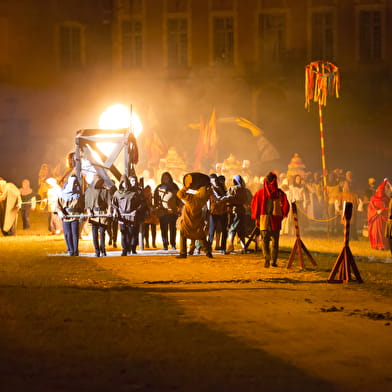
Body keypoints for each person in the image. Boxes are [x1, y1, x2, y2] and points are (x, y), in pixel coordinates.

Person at [251, 172, 290, 268]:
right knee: (275, 242)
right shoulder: (280, 193)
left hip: (264, 220)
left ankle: (267, 259)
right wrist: (283, 215)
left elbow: (254, 206)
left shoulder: (259, 193)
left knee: (265, 241)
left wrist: (256, 217)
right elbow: (286, 206)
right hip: (275, 221)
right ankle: (273, 261)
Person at [176, 180, 213, 259]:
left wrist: (186, 187)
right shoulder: (202, 200)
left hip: (187, 222)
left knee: (183, 234)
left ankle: (183, 253)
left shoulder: (192, 198)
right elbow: (208, 193)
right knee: (201, 237)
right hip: (196, 222)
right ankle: (208, 252)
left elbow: (179, 194)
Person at [112, 175, 145, 256]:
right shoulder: (117, 193)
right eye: (123, 183)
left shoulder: (134, 193)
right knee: (123, 233)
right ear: (121, 183)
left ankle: (130, 247)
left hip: (131, 216)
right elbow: (114, 204)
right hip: (122, 216)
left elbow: (140, 203)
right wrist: (115, 211)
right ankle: (124, 249)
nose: (125, 185)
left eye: (126, 183)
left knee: (130, 233)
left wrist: (136, 211)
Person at [84, 175, 112, 257]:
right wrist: (89, 211)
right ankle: (97, 250)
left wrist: (109, 211)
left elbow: (109, 202)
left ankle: (103, 249)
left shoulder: (105, 191)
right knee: (94, 234)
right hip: (94, 214)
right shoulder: (89, 191)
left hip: (103, 213)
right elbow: (87, 203)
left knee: (102, 232)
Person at [154, 171, 181, 250]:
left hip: (173, 211)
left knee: (173, 228)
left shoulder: (174, 187)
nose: (166, 179)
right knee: (164, 228)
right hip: (162, 212)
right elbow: (156, 198)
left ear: (170, 178)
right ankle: (165, 244)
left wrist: (179, 207)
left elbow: (178, 198)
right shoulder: (159, 187)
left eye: (167, 177)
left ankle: (173, 244)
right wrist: (156, 207)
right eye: (164, 178)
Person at [57, 174, 84, 256]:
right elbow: (58, 206)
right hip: (65, 216)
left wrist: (82, 213)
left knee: (75, 233)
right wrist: (60, 212)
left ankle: (75, 250)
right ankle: (70, 250)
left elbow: (82, 206)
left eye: (75, 183)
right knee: (67, 234)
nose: (74, 184)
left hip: (75, 216)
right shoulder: (62, 194)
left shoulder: (78, 195)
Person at [208, 174, 230, 254]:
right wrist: (225, 198)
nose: (215, 182)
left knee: (224, 230)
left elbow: (225, 197)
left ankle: (223, 248)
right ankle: (209, 248)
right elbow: (216, 199)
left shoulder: (222, 188)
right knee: (212, 231)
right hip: (214, 212)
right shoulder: (210, 189)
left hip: (223, 211)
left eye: (215, 180)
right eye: (213, 181)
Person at [226, 174, 248, 253]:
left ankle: (230, 246)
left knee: (232, 229)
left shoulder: (232, 188)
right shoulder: (244, 189)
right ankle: (244, 247)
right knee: (241, 229)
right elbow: (246, 200)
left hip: (235, 210)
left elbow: (228, 199)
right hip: (242, 210)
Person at [368, 179, 390, 251]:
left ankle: (383, 245)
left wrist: (383, 211)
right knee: (376, 232)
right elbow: (370, 209)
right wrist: (376, 212)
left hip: (383, 219)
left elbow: (389, 208)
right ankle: (376, 245)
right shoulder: (373, 199)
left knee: (382, 232)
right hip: (376, 219)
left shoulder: (386, 199)